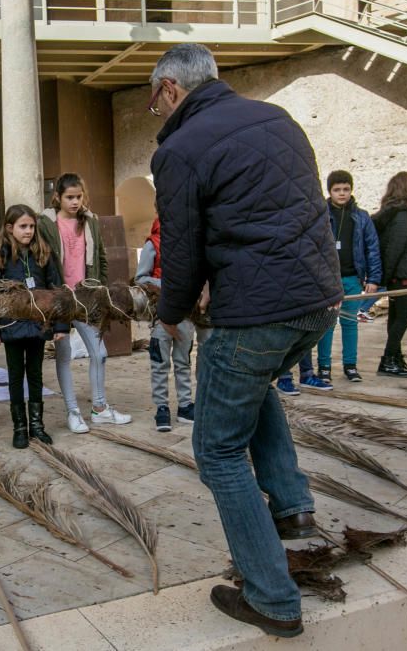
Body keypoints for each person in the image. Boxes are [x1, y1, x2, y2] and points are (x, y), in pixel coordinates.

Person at [149, 43, 341, 637]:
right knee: (254, 391)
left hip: (255, 315)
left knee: (217, 451)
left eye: (154, 98)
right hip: (318, 303)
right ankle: (292, 506)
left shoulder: (179, 149)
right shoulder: (276, 118)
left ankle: (272, 600)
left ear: (173, 90)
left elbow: (180, 250)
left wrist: (170, 312)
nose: (155, 110)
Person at [38, 174, 131, 432]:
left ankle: (100, 408)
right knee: (64, 355)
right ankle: (72, 412)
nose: (75, 202)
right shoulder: (45, 223)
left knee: (99, 354)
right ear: (57, 197)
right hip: (59, 298)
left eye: (78, 196)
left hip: (86, 297)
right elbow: (42, 260)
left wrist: (99, 289)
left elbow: (100, 256)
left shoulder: (91, 220)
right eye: (70, 197)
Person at [0, 204, 69, 449]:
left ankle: (37, 426)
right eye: (23, 226)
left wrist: (61, 325)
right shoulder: (0, 256)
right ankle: (19, 427)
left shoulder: (44, 252)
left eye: (31, 226)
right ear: (10, 228)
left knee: (35, 375)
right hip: (11, 326)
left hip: (38, 326)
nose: (29, 231)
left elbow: (57, 290)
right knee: (14, 376)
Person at [315, 170, 382, 383]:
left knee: (350, 323)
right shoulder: (321, 215)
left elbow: (372, 247)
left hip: (352, 278)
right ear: (330, 191)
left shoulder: (361, 217)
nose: (342, 193)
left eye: (346, 189)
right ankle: (324, 367)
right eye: (337, 190)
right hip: (327, 280)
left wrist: (373, 279)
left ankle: (350, 366)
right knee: (326, 324)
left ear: (351, 190)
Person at [134, 216, 194, 432]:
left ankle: (186, 405)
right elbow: (141, 277)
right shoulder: (153, 244)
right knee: (159, 363)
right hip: (161, 315)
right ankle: (162, 408)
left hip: (186, 315)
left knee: (183, 361)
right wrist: (169, 285)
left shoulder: (188, 242)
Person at [373, 171, 407, 377]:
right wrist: (387, 277)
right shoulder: (402, 215)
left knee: (395, 317)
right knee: (405, 315)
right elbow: (395, 247)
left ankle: (395, 357)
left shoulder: (393, 213)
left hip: (397, 274)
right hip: (400, 276)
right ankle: (388, 360)